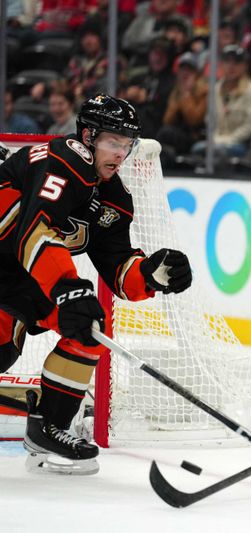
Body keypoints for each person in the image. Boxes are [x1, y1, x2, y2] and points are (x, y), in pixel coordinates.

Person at [0, 94, 192, 475]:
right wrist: (69, 288)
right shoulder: (62, 159)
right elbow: (35, 234)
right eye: (113, 142)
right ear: (87, 136)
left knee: (88, 327)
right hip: (13, 266)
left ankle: (49, 427)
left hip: (23, 279)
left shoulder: (114, 197)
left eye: (127, 144)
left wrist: (152, 274)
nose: (121, 154)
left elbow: (119, 269)